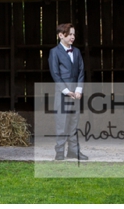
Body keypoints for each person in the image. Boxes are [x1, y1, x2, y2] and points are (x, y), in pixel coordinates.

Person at [48, 23, 88, 161]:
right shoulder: (54, 52)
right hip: (62, 91)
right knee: (62, 122)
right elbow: (55, 73)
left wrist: (78, 89)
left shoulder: (76, 52)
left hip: (76, 93)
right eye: (70, 34)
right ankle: (59, 151)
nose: (73, 37)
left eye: (74, 34)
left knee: (74, 122)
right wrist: (65, 90)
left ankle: (73, 151)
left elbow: (81, 71)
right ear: (61, 35)